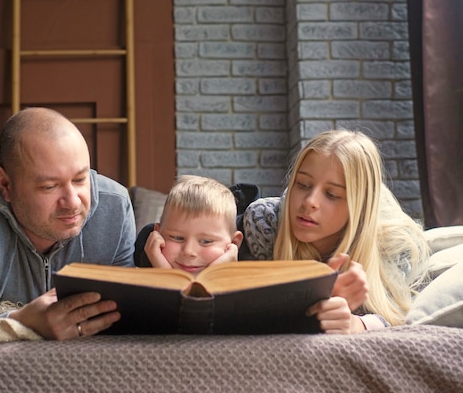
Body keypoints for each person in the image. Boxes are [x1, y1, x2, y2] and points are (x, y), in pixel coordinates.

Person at [0, 107, 136, 340]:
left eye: (80, 179)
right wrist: (21, 322)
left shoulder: (115, 207)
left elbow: (126, 322)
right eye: (49, 187)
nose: (73, 202)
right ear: (5, 184)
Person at [242, 129, 430, 334]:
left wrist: (357, 324)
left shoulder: (395, 243)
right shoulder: (266, 224)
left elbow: (398, 315)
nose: (310, 202)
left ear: (358, 207)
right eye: (302, 184)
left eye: (332, 195)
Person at [137, 175, 243, 274]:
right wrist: (163, 272)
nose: (188, 251)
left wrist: (215, 276)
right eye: (177, 238)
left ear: (234, 242)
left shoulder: (249, 283)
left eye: (206, 241)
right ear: (157, 234)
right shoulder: (142, 270)